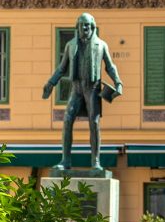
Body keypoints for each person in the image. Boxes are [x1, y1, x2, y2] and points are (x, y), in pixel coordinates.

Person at [42, 12, 122, 172]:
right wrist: (51, 83)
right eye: (81, 25)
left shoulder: (101, 45)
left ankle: (96, 161)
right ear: (77, 27)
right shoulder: (71, 45)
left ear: (92, 26)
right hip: (77, 89)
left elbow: (110, 66)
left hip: (93, 89)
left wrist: (118, 82)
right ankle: (65, 160)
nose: (84, 28)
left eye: (87, 25)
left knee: (94, 123)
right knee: (67, 120)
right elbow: (62, 68)